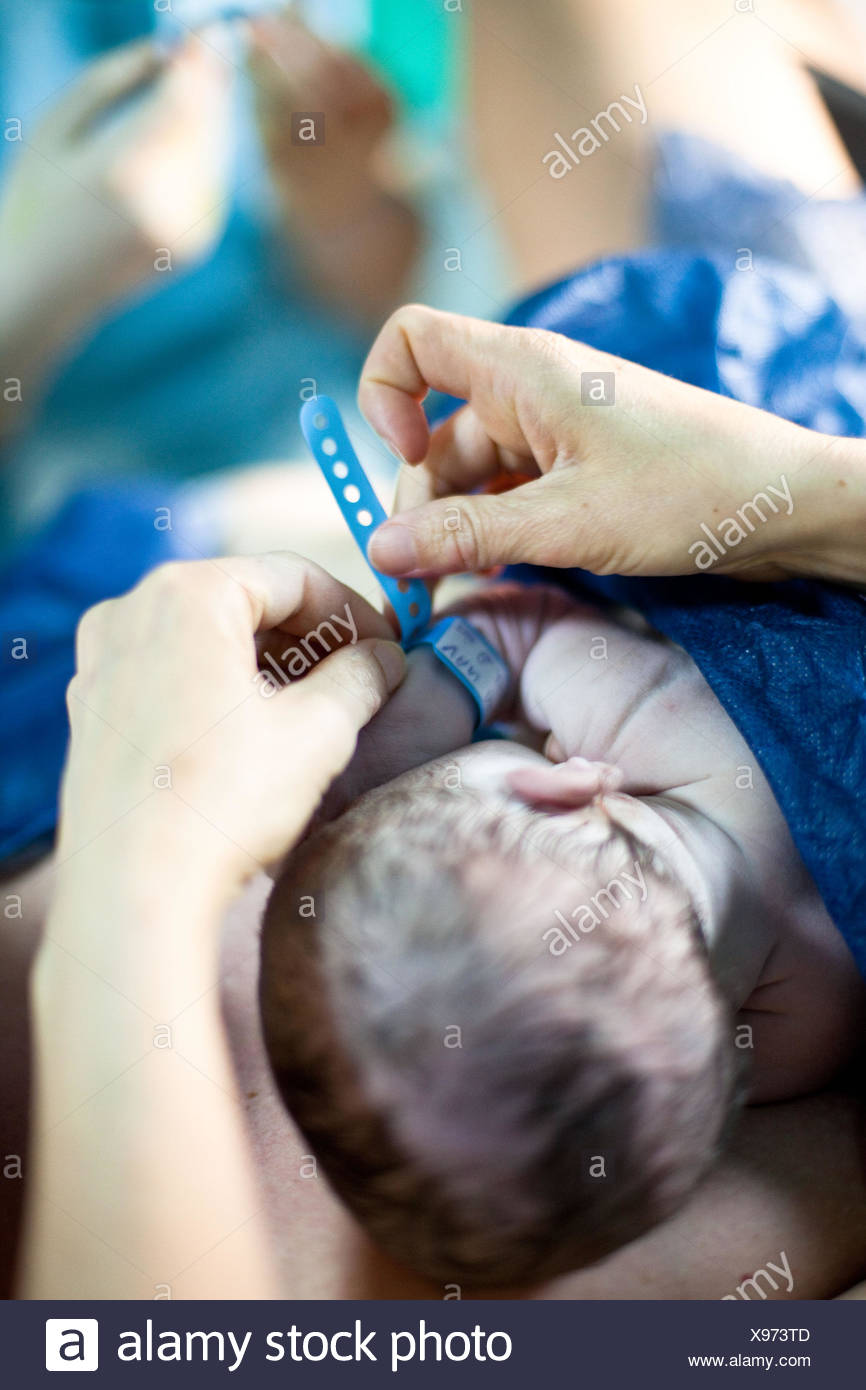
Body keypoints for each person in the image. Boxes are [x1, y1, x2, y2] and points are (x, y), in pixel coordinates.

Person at [260, 577, 866, 1286]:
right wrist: (433, 697)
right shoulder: (655, 721)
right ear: (562, 786)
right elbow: (521, 622)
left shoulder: (803, 1044)